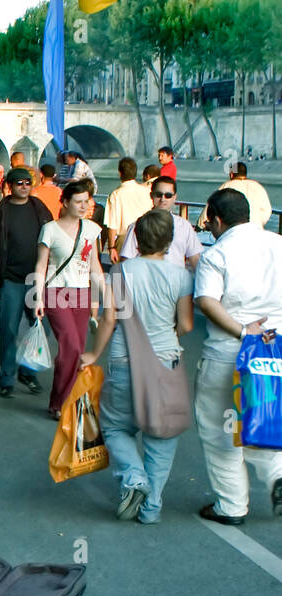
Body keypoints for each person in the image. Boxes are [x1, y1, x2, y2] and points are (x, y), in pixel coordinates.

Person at [78, 209, 193, 524]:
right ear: (168, 243)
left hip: (124, 360)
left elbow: (109, 319)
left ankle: (133, 477)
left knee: (116, 427)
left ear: (136, 241)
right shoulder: (182, 277)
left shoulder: (120, 272)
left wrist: (92, 354)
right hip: (165, 362)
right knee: (162, 434)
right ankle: (151, 508)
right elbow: (185, 324)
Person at [191, 187, 282, 524]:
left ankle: (230, 506)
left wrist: (243, 331)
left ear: (216, 219)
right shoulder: (278, 244)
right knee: (265, 418)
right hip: (275, 353)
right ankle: (278, 477)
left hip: (228, 353)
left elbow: (207, 301)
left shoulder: (217, 253)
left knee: (221, 428)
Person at [0, 167, 54, 398]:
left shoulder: (39, 208)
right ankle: (6, 378)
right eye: (19, 183)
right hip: (11, 281)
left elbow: (53, 239)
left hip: (37, 281)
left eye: (27, 182)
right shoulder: (0, 212)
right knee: (8, 331)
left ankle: (28, 371)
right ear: (9, 186)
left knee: (42, 326)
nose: (24, 186)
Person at [32, 180, 104, 420]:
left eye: (87, 201)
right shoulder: (50, 229)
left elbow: (95, 267)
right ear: (65, 202)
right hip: (57, 293)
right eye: (78, 202)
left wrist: (100, 298)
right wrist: (38, 299)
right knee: (71, 346)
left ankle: (67, 399)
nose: (84, 206)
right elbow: (41, 266)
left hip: (82, 293)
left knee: (77, 350)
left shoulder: (92, 230)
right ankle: (61, 403)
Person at [119, 176, 202, 271]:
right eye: (158, 195)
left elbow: (195, 258)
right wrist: (121, 284)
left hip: (176, 282)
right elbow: (126, 259)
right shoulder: (138, 225)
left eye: (168, 195)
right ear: (151, 196)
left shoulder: (184, 226)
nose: (163, 199)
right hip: (146, 281)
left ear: (174, 197)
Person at [104, 157, 152, 266]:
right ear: (135, 172)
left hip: (123, 239)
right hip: (145, 238)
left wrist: (111, 248)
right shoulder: (146, 192)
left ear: (120, 173)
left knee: (118, 276)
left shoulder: (116, 194)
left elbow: (112, 224)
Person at [199, 163, 274, 230]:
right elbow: (267, 210)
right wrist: (258, 222)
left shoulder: (227, 186)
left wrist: (200, 226)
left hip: (233, 231)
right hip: (256, 230)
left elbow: (210, 207)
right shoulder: (258, 186)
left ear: (231, 174)